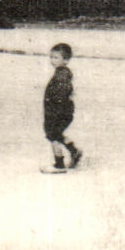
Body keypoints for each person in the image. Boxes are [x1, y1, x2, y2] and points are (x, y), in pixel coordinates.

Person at [41, 42, 83, 173]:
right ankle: (74, 151)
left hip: (58, 111)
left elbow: (62, 93)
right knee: (56, 134)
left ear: (66, 60)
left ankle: (59, 164)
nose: (52, 60)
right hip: (59, 110)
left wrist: (55, 107)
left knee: (53, 135)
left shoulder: (62, 74)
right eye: (51, 57)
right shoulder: (62, 72)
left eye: (56, 58)